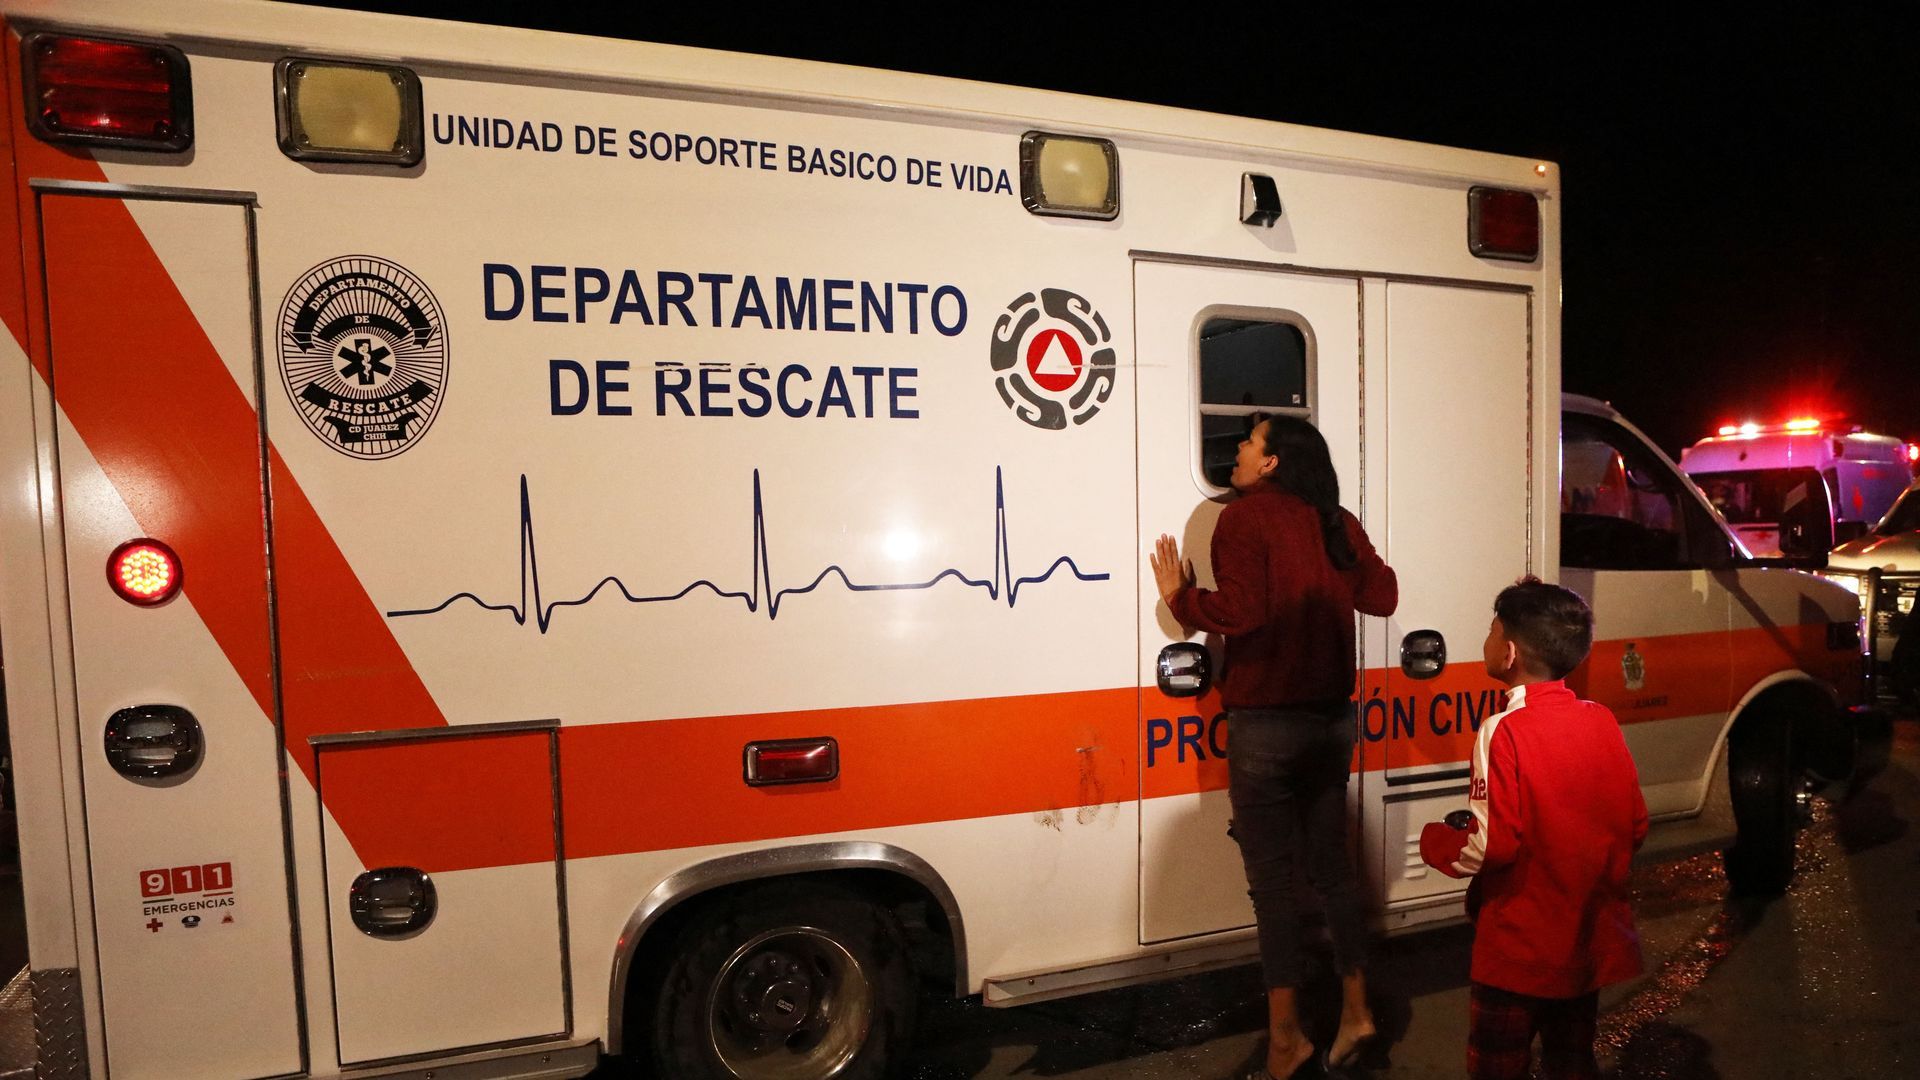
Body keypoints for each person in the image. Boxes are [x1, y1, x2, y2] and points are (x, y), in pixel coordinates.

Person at [1149, 414, 1397, 1079]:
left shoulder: (1244, 519)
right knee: (1333, 873)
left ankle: (1287, 1039)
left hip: (1266, 726)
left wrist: (1180, 597)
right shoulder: (1334, 520)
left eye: (1249, 441)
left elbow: (1241, 612)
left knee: (1274, 887)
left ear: (1271, 463)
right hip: (1332, 723)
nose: (1236, 449)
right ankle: (1356, 1011)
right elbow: (1383, 594)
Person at [1420, 578, 1648, 1080]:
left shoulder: (1502, 730)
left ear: (1509, 653)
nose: (1485, 639)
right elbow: (1635, 823)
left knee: (1498, 1065)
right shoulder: (1601, 720)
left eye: (1491, 630)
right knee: (1571, 1061)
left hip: (1518, 946)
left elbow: (1490, 845)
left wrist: (1437, 842)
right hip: (1585, 936)